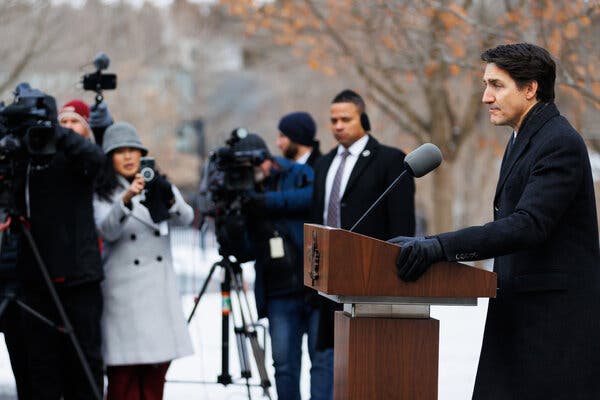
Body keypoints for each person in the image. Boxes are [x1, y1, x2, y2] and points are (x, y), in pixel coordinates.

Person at [392, 43, 600, 399]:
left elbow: (527, 225)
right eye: (486, 85)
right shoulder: (524, 137)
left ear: (530, 88)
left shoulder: (559, 142)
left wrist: (439, 246)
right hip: (520, 318)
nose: (486, 97)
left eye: (497, 85)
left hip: (554, 328)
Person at [14, 91, 106, 399]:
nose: (67, 127)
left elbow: (96, 160)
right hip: (36, 280)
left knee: (84, 367)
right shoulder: (26, 157)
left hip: (79, 279)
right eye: (62, 121)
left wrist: (57, 132)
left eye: (73, 123)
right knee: (42, 371)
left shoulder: (79, 157)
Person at [311, 89, 416, 357]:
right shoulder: (323, 164)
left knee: (367, 357)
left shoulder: (390, 160)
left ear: (364, 120)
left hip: (372, 279)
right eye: (333, 120)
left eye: (346, 119)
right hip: (328, 278)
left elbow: (402, 224)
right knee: (332, 358)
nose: (338, 126)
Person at [93, 122, 194, 400]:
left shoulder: (158, 183)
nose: (127, 157)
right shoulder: (103, 193)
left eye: (133, 150)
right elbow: (106, 230)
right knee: (122, 383)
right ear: (109, 157)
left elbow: (186, 218)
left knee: (154, 380)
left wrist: (167, 196)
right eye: (120, 151)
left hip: (158, 298)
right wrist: (126, 198)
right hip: (122, 299)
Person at [234, 133, 331, 400]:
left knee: (322, 361)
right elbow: (244, 249)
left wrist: (266, 203)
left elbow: (314, 197)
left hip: (313, 287)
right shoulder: (243, 192)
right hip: (278, 293)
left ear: (265, 160)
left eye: (253, 167)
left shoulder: (298, 174)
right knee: (284, 366)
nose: (251, 174)